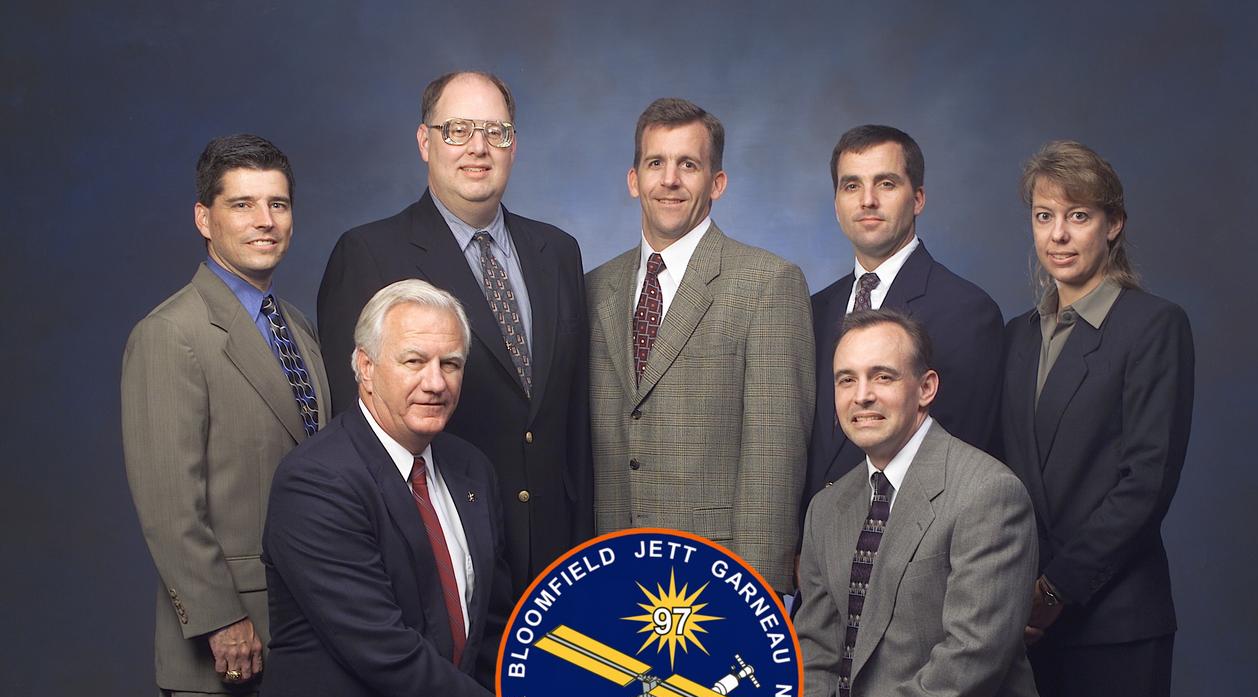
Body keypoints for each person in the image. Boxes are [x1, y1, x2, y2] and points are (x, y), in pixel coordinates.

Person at [247, 280, 620, 697]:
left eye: (451, 363)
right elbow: (388, 655)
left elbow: (496, 631)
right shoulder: (318, 481)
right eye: (414, 361)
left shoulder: (469, 470)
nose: (435, 382)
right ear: (365, 368)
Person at [695, 310, 1044, 697]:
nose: (862, 396)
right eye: (846, 380)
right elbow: (814, 648)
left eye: (882, 376)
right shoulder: (829, 507)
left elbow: (970, 660)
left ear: (926, 388)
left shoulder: (986, 493)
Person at [122, 134, 330, 697]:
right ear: (204, 218)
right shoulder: (171, 333)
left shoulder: (296, 329)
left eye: (277, 203)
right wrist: (219, 619)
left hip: (302, 638)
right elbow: (169, 504)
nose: (264, 220)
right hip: (223, 645)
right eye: (242, 204)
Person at [316, 71, 592, 593]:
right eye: (458, 130)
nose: (479, 148)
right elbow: (352, 429)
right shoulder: (370, 254)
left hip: (558, 556)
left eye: (497, 131)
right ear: (425, 142)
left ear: (515, 145)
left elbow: (572, 416)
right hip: (437, 552)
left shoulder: (558, 251)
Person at [1000, 140, 1194, 697]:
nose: (1058, 234)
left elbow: (1145, 484)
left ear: (1112, 223)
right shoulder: (1018, 337)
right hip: (1021, 624)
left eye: (1077, 215)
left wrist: (1051, 592)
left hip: (1113, 620)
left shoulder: (1153, 326)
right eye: (1044, 215)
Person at [588, 97, 814, 594]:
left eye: (688, 164)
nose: (669, 180)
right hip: (606, 571)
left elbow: (774, 458)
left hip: (715, 579)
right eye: (655, 163)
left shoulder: (767, 283)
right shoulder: (594, 288)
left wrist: (755, 596)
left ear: (717, 183)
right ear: (633, 180)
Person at [804, 125, 1003, 511]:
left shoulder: (968, 313)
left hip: (907, 546)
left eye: (886, 184)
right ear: (836, 203)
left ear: (918, 198)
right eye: (851, 186)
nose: (867, 201)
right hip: (812, 552)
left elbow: (957, 461)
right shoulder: (814, 310)